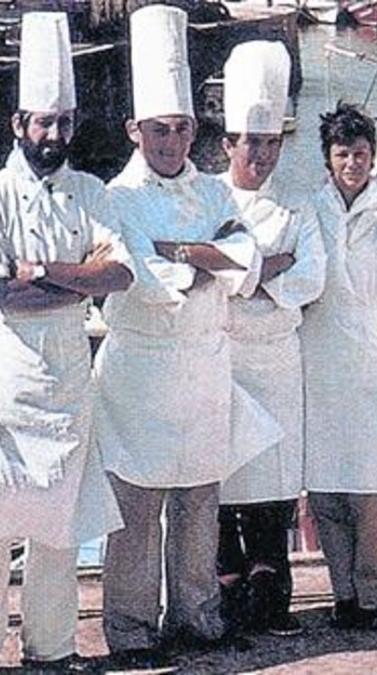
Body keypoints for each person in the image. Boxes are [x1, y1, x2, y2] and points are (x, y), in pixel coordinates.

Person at [94, 5, 279, 664]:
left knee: (201, 506)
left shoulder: (215, 193)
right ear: (133, 129)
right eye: (156, 130)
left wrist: (184, 250)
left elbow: (248, 262)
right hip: (138, 381)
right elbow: (143, 276)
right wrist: (208, 256)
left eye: (179, 128)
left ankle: (198, 616)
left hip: (203, 373)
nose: (169, 142)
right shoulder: (113, 198)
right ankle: (133, 629)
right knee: (137, 515)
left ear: (194, 129)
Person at [0, 12, 133, 669]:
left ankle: (49, 652)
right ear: (18, 125)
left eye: (63, 123)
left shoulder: (89, 191)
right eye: (41, 122)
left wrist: (44, 272)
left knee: (57, 527)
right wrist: (75, 285)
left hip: (69, 379)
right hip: (6, 374)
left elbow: (121, 271)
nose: (52, 134)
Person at [216, 41, 326, 637]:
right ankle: (226, 586)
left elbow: (312, 277)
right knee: (220, 485)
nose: (259, 155)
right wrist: (268, 266)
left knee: (271, 487)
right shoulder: (207, 195)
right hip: (221, 358)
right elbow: (209, 275)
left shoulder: (299, 202)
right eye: (249, 142)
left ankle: (270, 590)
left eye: (270, 143)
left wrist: (246, 274)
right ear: (228, 142)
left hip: (278, 361)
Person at [301, 103, 377, 631]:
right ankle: (341, 593)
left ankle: (371, 595)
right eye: (343, 153)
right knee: (327, 489)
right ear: (328, 160)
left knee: (376, 492)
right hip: (321, 361)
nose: (353, 162)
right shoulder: (306, 212)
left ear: (374, 157)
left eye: (361, 153)